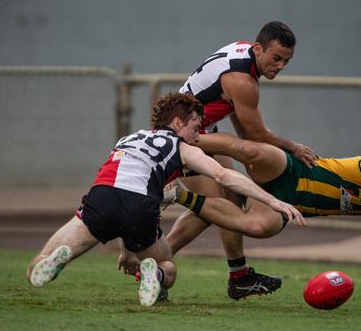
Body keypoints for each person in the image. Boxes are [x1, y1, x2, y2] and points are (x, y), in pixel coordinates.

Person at [26, 92, 304, 306]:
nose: (200, 133)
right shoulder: (181, 146)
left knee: (35, 265)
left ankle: (52, 262)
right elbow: (223, 176)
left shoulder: (129, 138)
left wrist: (125, 251)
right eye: (197, 126)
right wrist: (274, 201)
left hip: (101, 197)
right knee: (167, 266)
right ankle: (155, 275)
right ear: (177, 123)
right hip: (140, 207)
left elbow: (123, 186)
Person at [164, 130, 361, 300]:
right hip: (292, 170)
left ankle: (179, 195)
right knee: (253, 152)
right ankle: (184, 140)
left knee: (257, 227)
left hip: (287, 203)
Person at [170, 21, 317, 300]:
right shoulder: (243, 80)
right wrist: (293, 148)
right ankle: (155, 263)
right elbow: (257, 132)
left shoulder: (244, 54)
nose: (281, 66)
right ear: (259, 48)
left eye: (287, 61)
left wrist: (244, 145)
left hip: (201, 132)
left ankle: (239, 277)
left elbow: (236, 113)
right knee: (212, 209)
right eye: (277, 58)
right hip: (183, 138)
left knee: (231, 199)